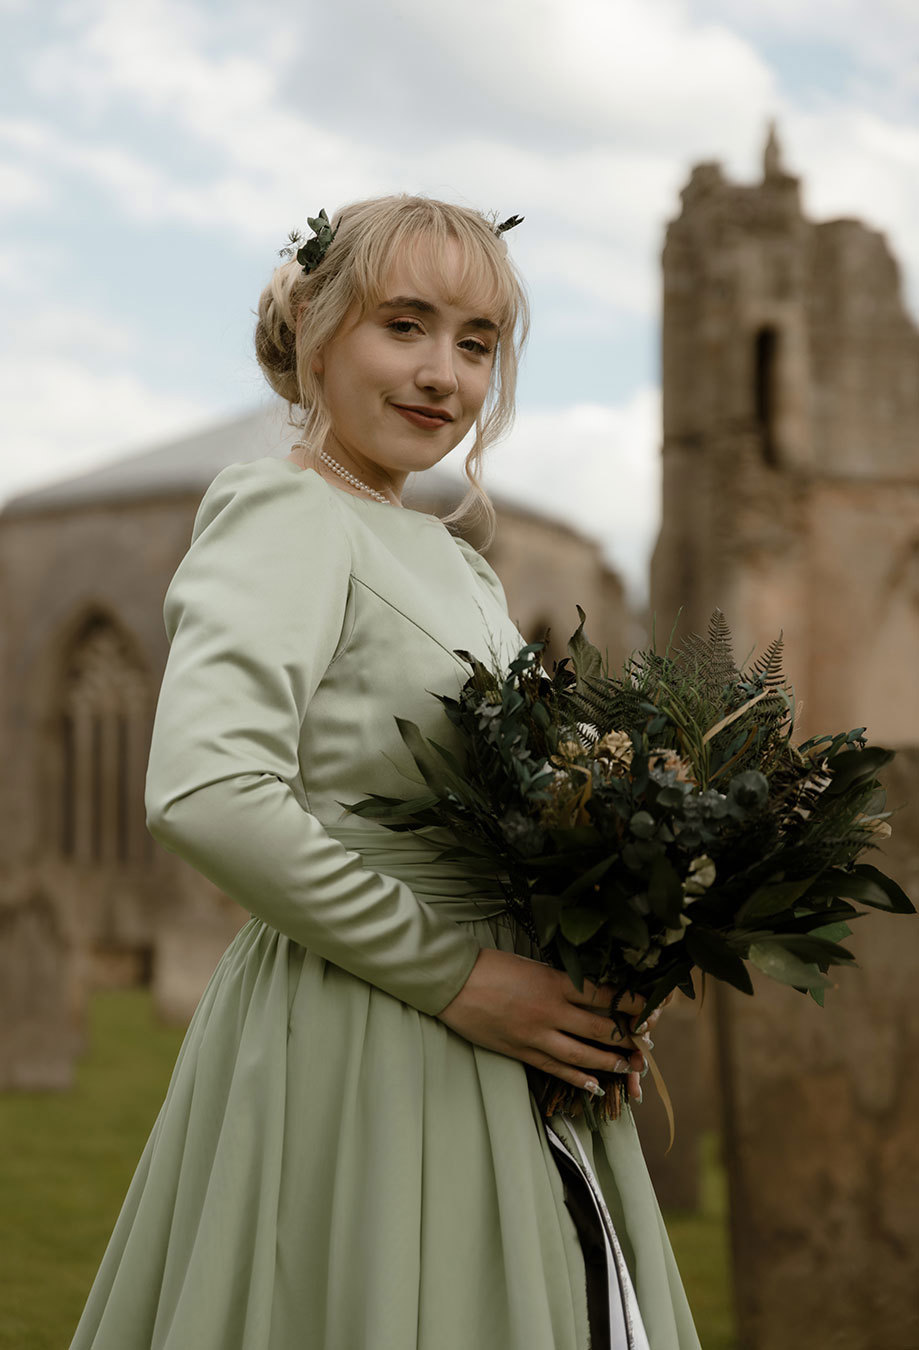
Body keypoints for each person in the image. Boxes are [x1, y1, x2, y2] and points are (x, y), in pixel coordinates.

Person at [69, 195, 700, 1350]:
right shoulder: (284, 511)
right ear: (316, 328)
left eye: (474, 343)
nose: (442, 376)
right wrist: (461, 975)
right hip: (368, 1036)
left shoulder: (446, 555)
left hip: (500, 1045)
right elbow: (208, 790)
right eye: (402, 325)